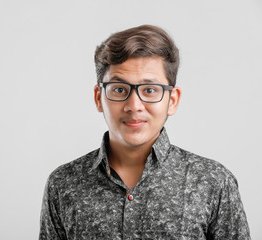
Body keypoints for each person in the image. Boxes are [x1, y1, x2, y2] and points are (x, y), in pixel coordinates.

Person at [39, 25, 250, 239]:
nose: (134, 106)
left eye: (150, 90)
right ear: (98, 98)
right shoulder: (63, 184)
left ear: (172, 100)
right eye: (119, 89)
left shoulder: (214, 182)